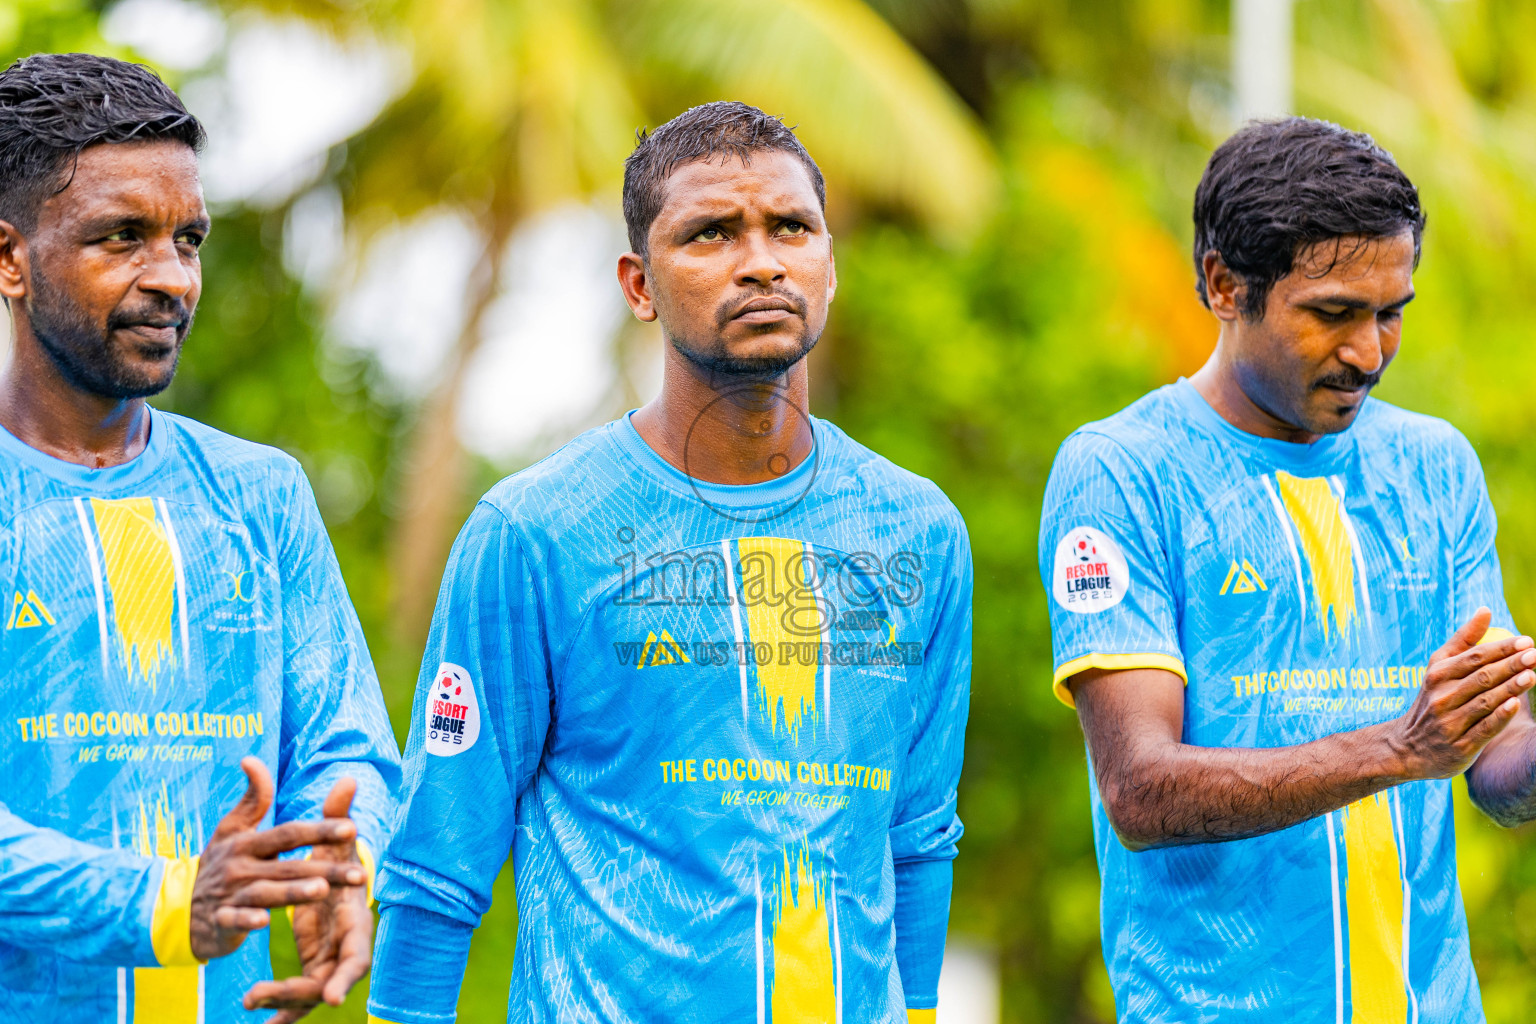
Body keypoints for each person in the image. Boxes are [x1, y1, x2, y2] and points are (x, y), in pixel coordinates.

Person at [366, 101, 972, 1024]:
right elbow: (438, 861)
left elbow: (919, 835)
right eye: (711, 234)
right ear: (639, 284)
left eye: (791, 228)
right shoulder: (534, 533)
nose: (761, 260)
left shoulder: (917, 530)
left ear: (830, 264)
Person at [1038, 115, 1536, 1022]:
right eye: (1334, 314)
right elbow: (1140, 790)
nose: (1370, 353)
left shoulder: (1435, 466)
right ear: (1225, 286)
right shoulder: (1123, 472)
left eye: (1391, 314)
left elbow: (1497, 765)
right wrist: (1399, 748)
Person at [0, 53, 400, 1022]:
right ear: (9, 258)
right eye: (122, 238)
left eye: (189, 239)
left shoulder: (261, 496)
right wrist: (170, 900)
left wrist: (341, 861)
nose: (171, 278)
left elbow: (348, 745)